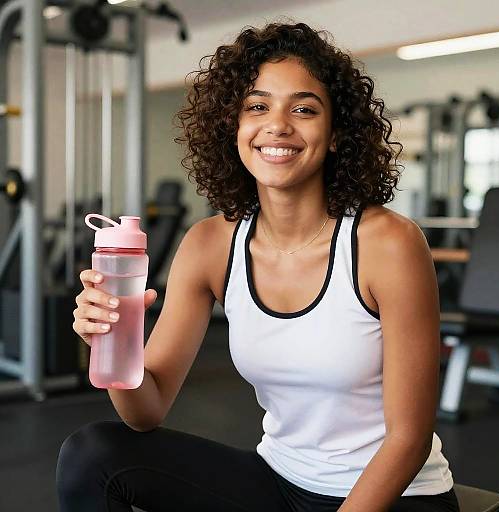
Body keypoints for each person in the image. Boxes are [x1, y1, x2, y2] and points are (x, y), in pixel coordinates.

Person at [56, 21, 460, 512]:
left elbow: (409, 439)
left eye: (305, 109)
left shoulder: (387, 243)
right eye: (257, 106)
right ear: (235, 127)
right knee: (94, 454)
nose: (278, 125)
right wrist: (114, 344)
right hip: (280, 481)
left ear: (335, 135)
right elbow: (146, 411)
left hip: (395, 495)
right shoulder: (209, 244)